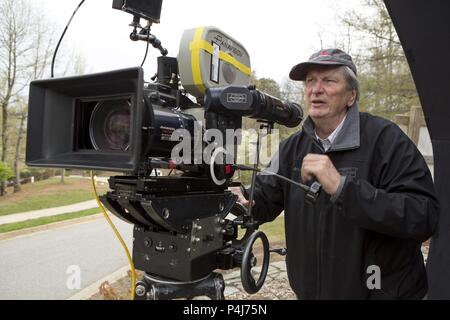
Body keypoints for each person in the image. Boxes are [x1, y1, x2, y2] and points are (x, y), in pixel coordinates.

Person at [230, 48, 440, 299]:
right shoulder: (291, 148)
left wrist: (344, 189)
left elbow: (423, 215)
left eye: (328, 81)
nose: (316, 89)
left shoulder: (387, 140)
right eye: (310, 81)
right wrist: (243, 199)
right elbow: (263, 200)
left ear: (351, 95)